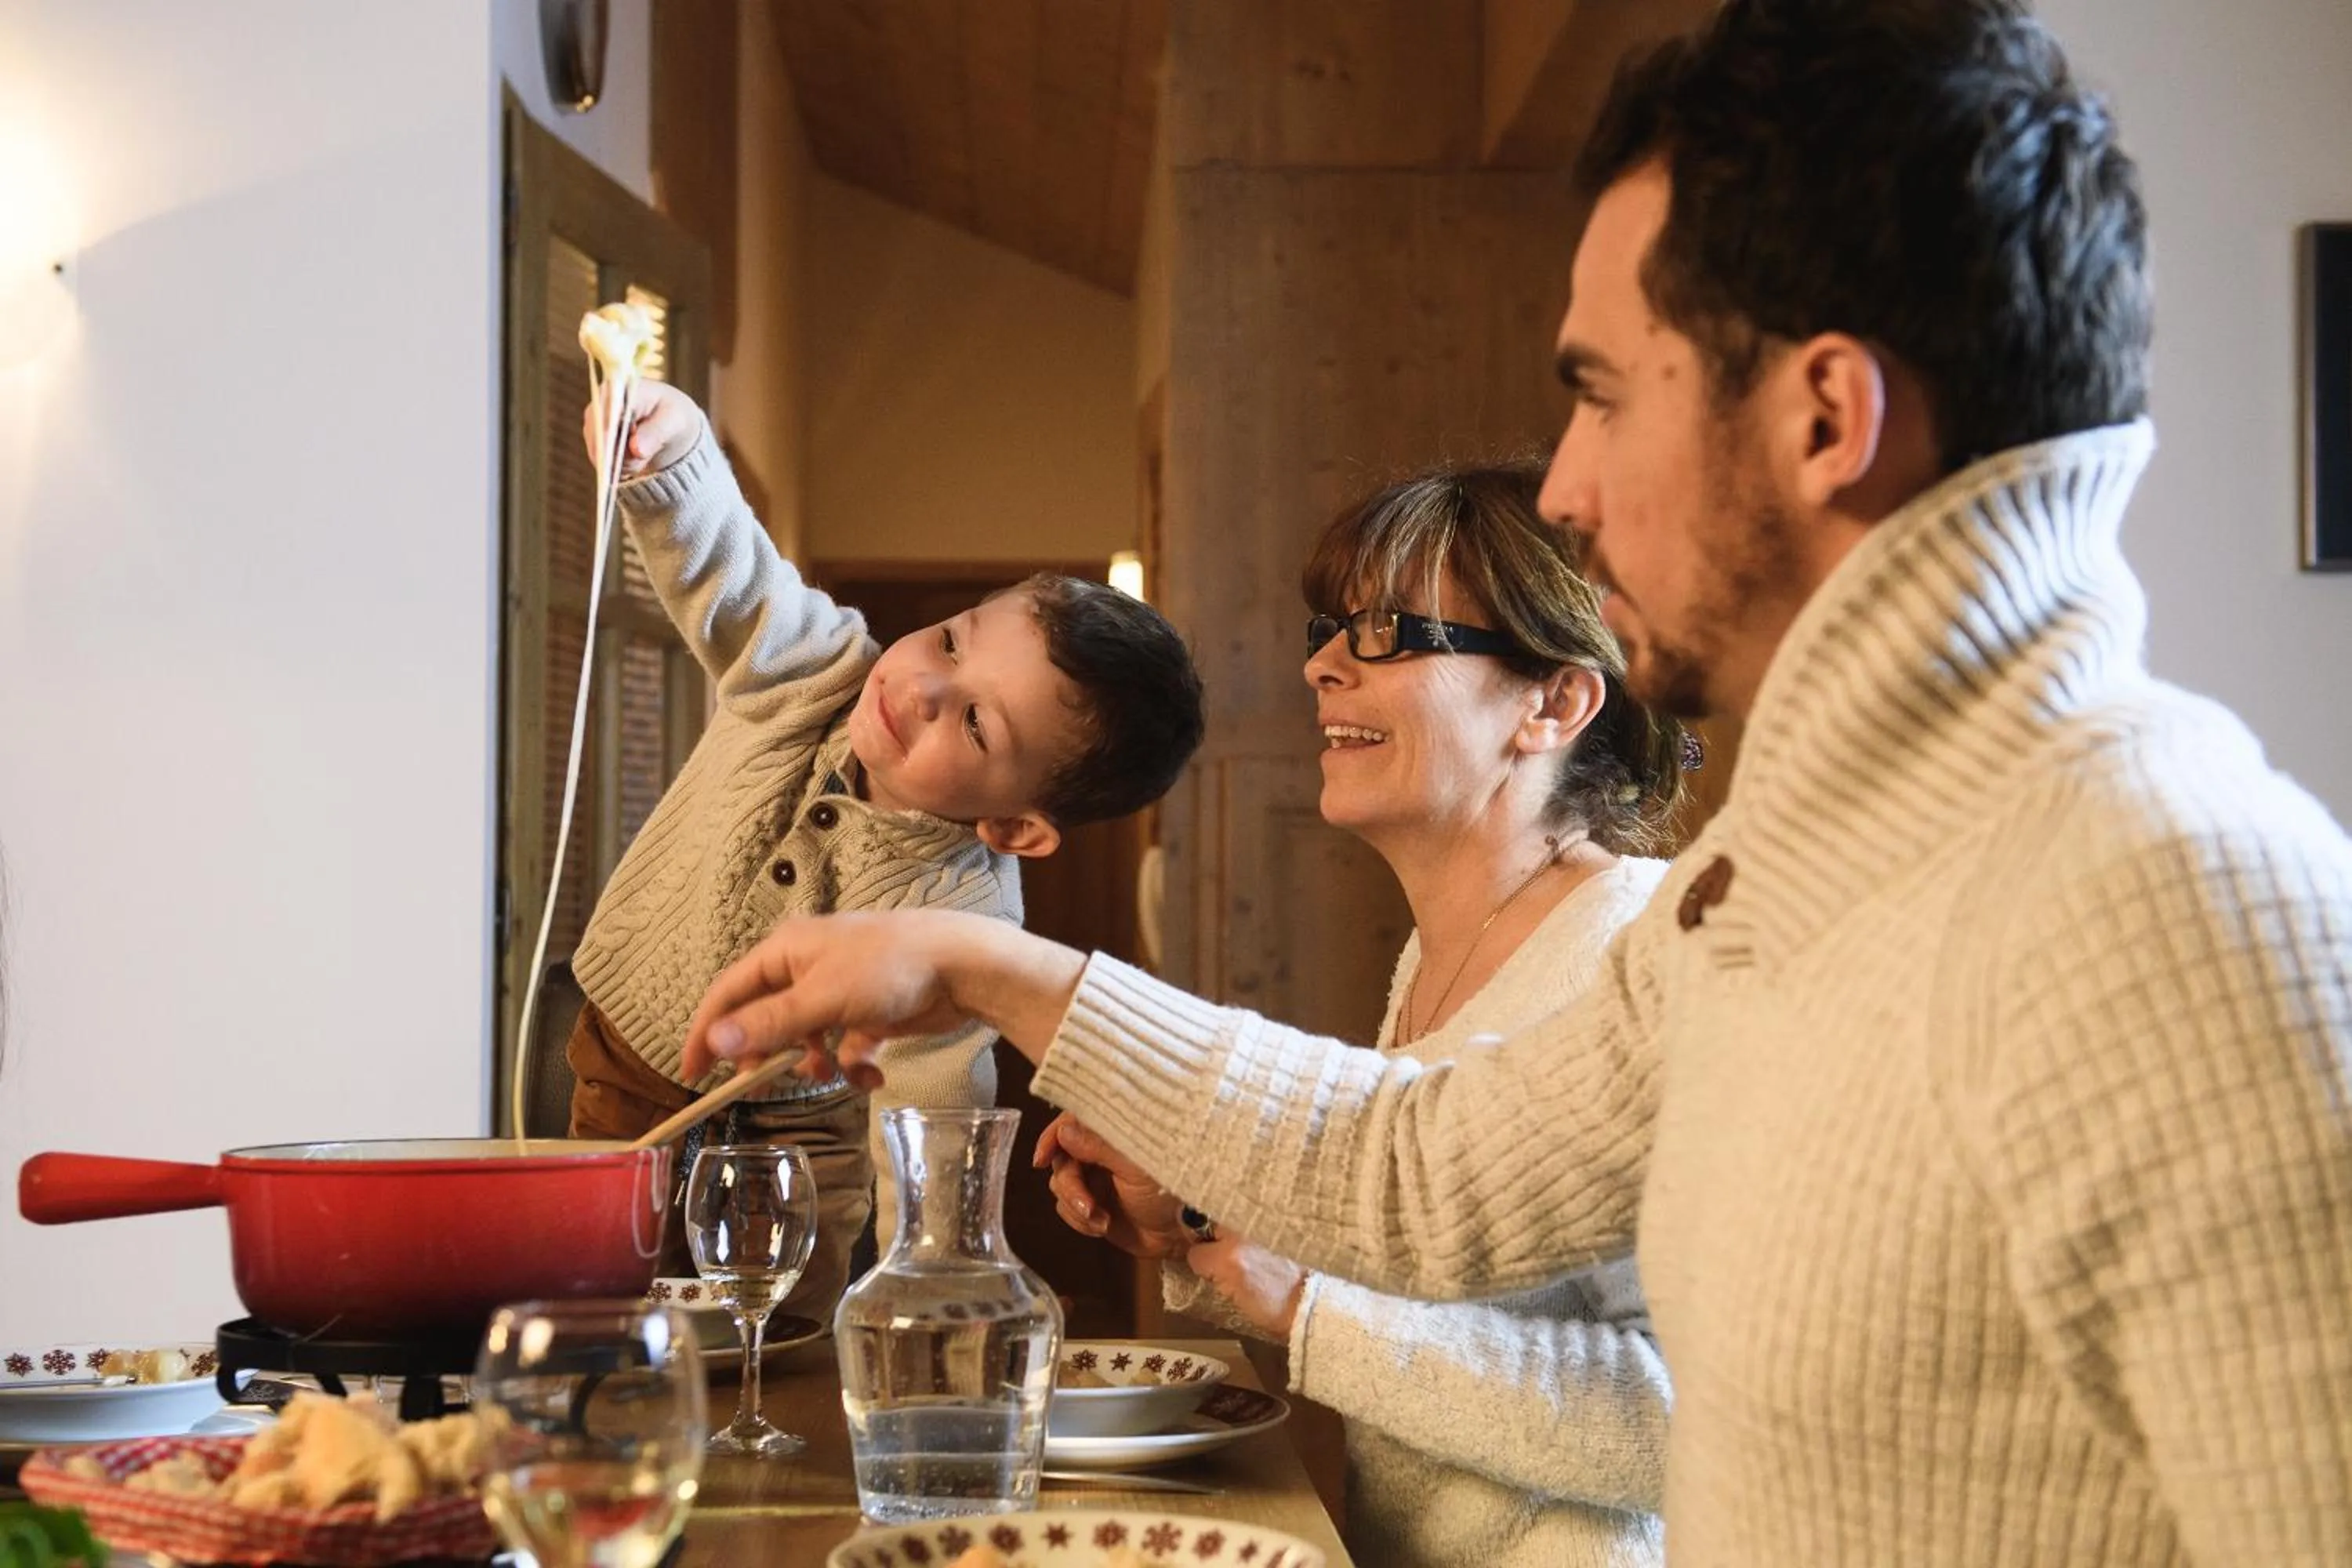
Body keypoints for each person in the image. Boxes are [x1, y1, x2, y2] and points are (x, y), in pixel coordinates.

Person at [676, 2, 2352, 1563]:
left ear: (1827, 418)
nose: (1570, 484)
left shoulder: (2172, 890)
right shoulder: (1760, 890)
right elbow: (1417, 1175)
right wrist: (976, 962)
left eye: (1605, 396)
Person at [1045, 462, 1682, 1568]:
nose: (1321, 665)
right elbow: (1421, 1283)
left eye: (1389, 632)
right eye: (1331, 627)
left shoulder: (1637, 952)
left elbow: (1679, 1421)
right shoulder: (1440, 950)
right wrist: (1200, 1221)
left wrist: (1305, 1308)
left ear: (1555, 702)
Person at [561, 381, 1205, 1319]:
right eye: (950, 640)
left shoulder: (962, 916)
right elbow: (735, 580)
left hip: (802, 1140)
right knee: (594, 1303)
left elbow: (936, 1102)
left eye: (978, 722)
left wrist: (939, 1260)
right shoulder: (818, 672)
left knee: (773, 1336)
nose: (926, 687)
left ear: (1017, 828)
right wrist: (678, 455)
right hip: (624, 1065)